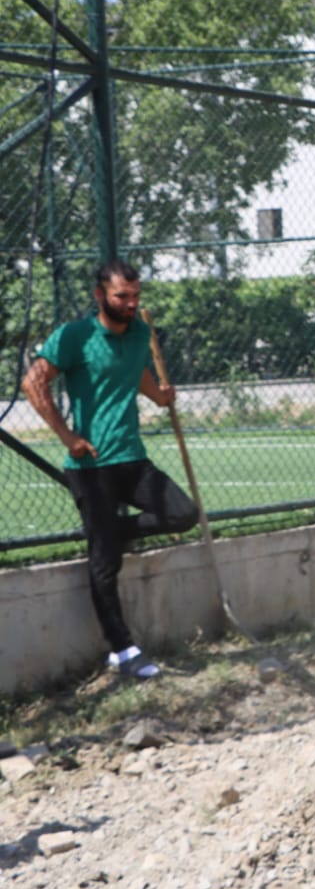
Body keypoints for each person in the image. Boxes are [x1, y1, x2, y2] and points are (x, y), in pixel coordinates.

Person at [20, 259, 198, 680]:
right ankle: (123, 650)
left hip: (132, 458)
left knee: (182, 514)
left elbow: (134, 368)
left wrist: (159, 395)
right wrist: (67, 437)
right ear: (100, 295)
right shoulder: (74, 336)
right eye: (122, 296)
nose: (131, 303)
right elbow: (33, 383)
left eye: (135, 296)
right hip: (91, 464)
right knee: (105, 565)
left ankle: (111, 532)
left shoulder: (140, 332)